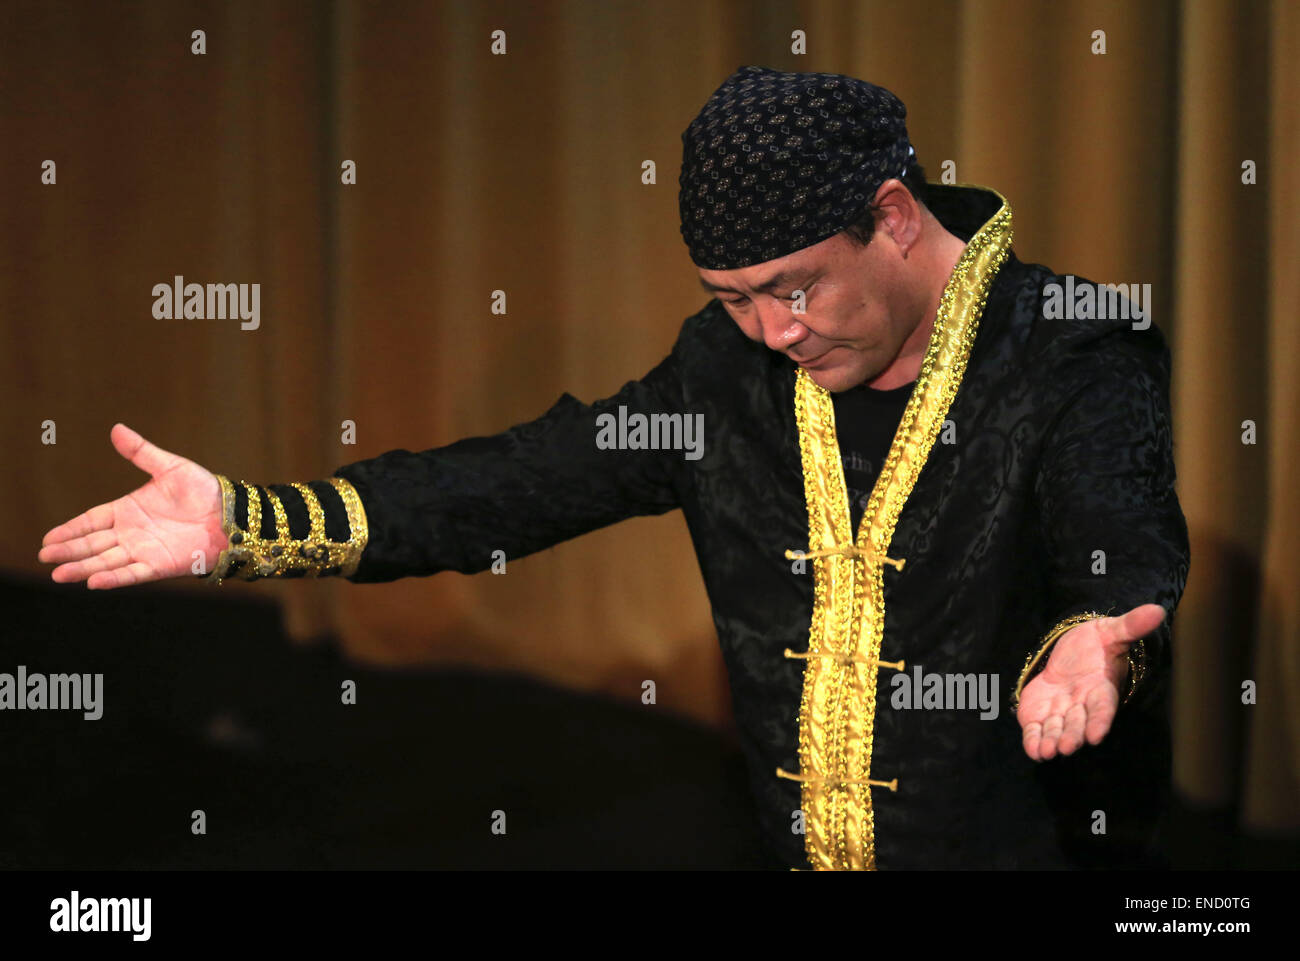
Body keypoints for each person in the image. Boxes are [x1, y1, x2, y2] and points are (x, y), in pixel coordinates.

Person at [38, 66, 1190, 870]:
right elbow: (525, 478)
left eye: (792, 287)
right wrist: (244, 519)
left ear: (891, 217)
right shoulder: (724, 372)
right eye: (730, 299)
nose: (770, 332)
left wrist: (1091, 636)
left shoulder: (1070, 345)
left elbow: (1113, 530)